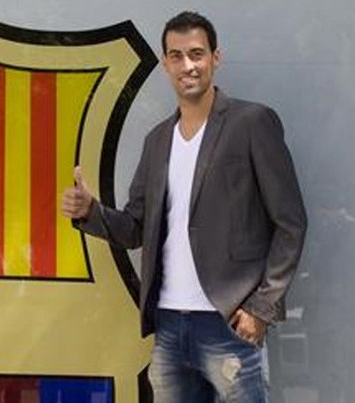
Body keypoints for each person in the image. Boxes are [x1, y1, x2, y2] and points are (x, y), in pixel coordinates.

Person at [61, 11, 307, 403]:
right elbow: (136, 228)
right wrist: (91, 211)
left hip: (230, 324)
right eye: (176, 56)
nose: (187, 65)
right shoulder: (157, 140)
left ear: (215, 58)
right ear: (165, 64)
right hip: (170, 326)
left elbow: (290, 223)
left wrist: (262, 308)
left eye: (196, 53)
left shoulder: (252, 123)